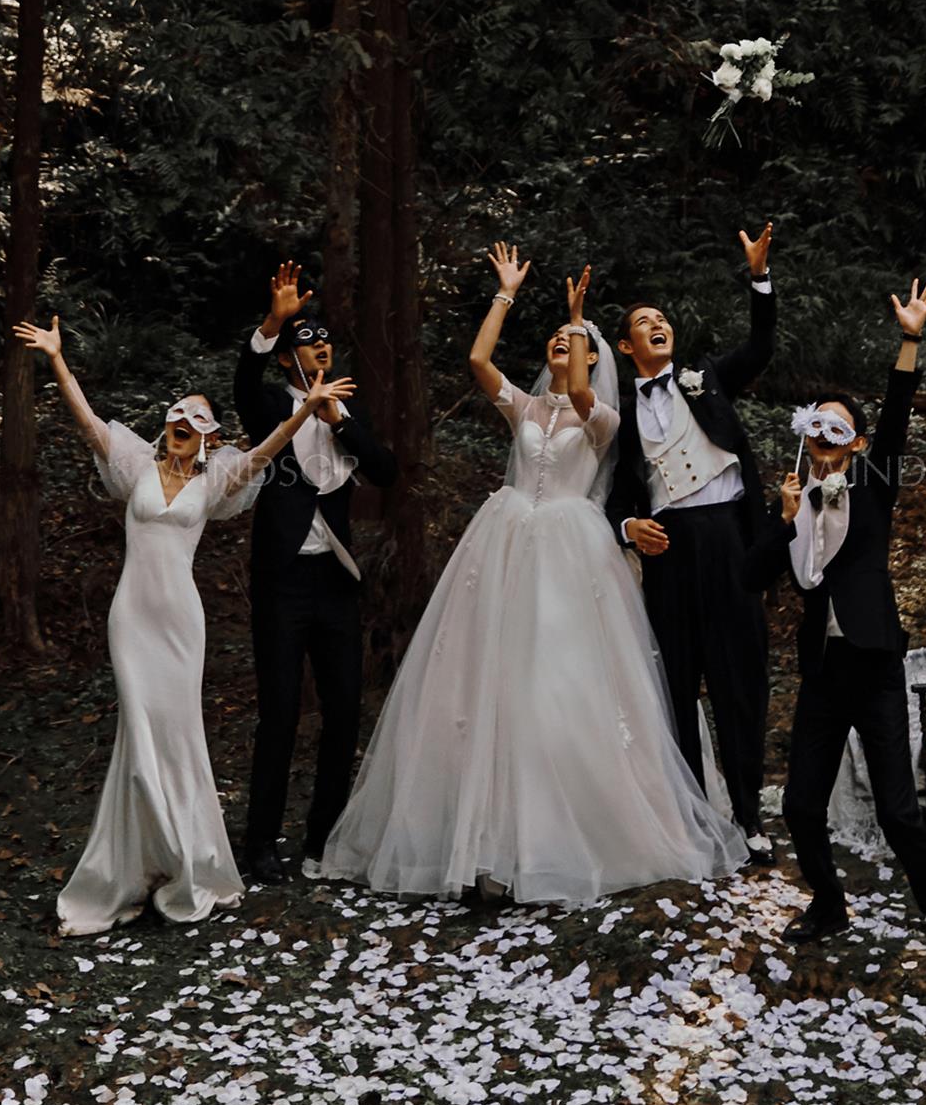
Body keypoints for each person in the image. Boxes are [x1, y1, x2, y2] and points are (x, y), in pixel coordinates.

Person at [318, 246, 748, 908]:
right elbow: (477, 361)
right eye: (556, 341)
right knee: (494, 682)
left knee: (558, 679)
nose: (563, 347)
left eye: (575, 345)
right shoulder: (524, 408)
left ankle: (558, 837)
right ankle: (485, 842)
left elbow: (578, 391)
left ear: (595, 359)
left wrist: (577, 319)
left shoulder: (602, 418)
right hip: (507, 544)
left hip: (571, 548)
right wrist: (506, 294)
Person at [14, 313, 348, 933]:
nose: (183, 421)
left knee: (177, 735)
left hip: (181, 623)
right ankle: (134, 864)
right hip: (132, 616)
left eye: (197, 417)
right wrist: (57, 358)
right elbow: (87, 422)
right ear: (164, 426)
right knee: (139, 739)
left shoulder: (216, 481)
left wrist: (305, 409)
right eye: (177, 413)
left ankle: (181, 862)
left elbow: (268, 449)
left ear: (208, 436)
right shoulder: (135, 468)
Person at [740, 278, 926, 986]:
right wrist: (783, 519)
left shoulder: (874, 484)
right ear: (805, 435)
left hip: (873, 666)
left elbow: (897, 415)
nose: (824, 437)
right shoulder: (793, 500)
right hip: (822, 673)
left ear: (857, 443)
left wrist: (909, 339)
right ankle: (829, 902)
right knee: (799, 804)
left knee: (899, 812)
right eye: (817, 427)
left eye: (838, 429)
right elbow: (752, 575)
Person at [603, 223, 778, 850]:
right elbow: (613, 497)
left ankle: (749, 817)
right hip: (669, 550)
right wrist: (628, 527)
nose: (658, 324)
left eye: (662, 318)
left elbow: (760, 346)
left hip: (729, 538)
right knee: (675, 683)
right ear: (625, 346)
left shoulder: (709, 377)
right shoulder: (620, 415)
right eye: (643, 322)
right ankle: (693, 820)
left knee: (739, 681)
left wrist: (758, 276)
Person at [232, 258, 398, 882]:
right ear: (287, 358)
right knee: (279, 712)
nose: (321, 347)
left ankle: (323, 839)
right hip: (282, 583)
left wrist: (341, 421)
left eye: (326, 341)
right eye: (307, 341)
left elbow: (385, 470)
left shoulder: (348, 409)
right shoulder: (273, 404)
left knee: (345, 711)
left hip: (336, 582)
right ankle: (259, 845)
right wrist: (271, 324)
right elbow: (243, 387)